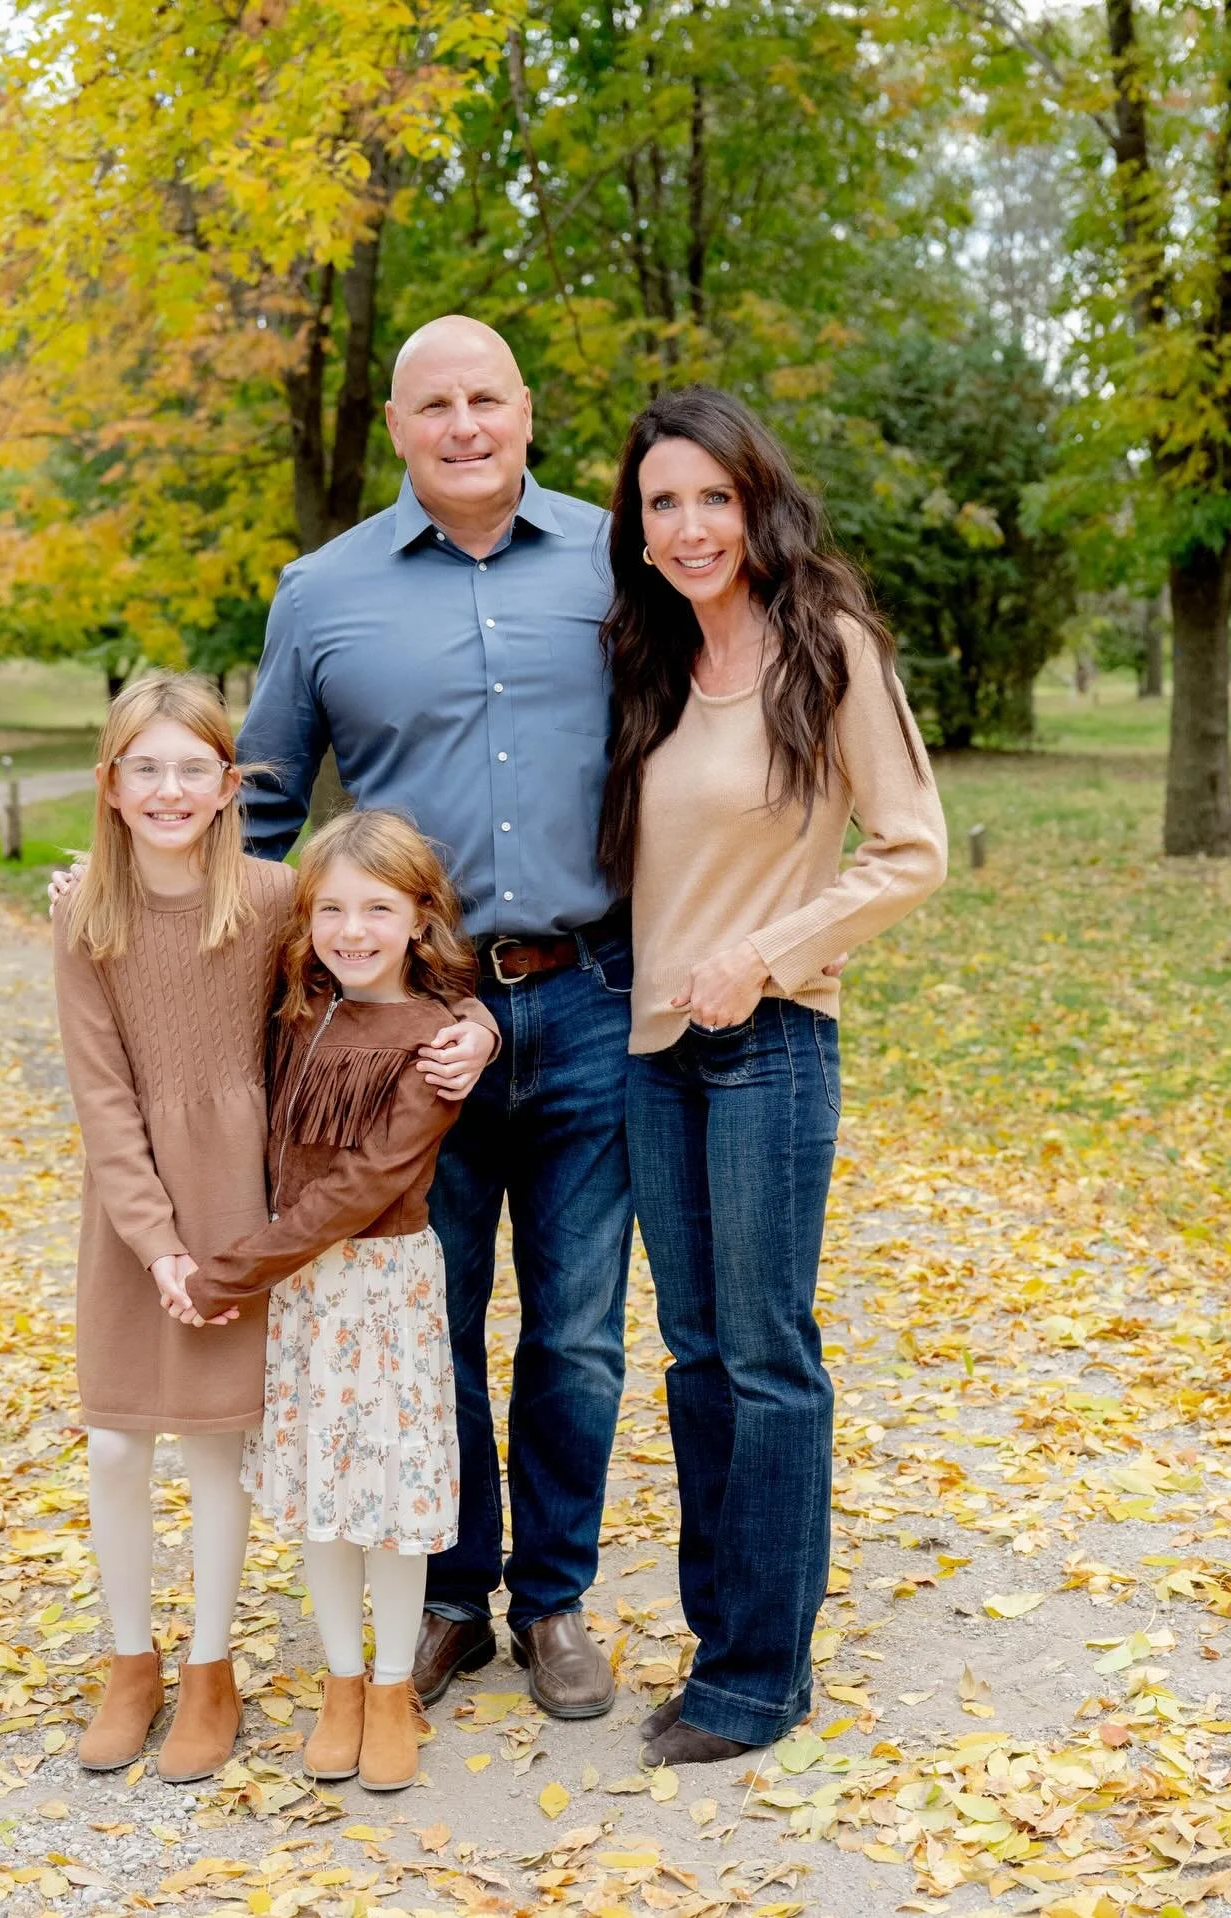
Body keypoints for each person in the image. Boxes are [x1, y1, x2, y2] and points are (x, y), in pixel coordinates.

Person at [237, 314, 632, 1718]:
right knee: (434, 1317)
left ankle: (558, 1597)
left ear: (527, 411)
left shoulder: (617, 552)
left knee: (579, 1326)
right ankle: (454, 1590)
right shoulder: (321, 591)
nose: (464, 426)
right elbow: (263, 824)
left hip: (592, 995)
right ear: (400, 426)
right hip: (408, 1022)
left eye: (488, 399)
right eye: (435, 405)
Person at [51, 675, 492, 1785]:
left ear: (227, 783)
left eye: (191, 767)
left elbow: (389, 950)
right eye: (142, 768)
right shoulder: (81, 912)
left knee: (217, 1449)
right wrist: (156, 1245)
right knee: (114, 1440)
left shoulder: (272, 895)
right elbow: (102, 1098)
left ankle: (211, 1672)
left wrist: (478, 1026)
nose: (166, 789)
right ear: (109, 786)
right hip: (138, 1208)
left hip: (253, 1207)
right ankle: (130, 1661)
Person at [598, 387, 948, 1766]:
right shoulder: (650, 663)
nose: (688, 526)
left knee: (765, 1357)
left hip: (772, 1043)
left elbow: (912, 845)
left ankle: (761, 1672)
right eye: (661, 502)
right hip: (651, 1052)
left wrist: (765, 951)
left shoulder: (829, 643)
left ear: (756, 501)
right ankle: (719, 1644)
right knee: (693, 1359)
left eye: (711, 497)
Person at [175, 810, 493, 1792]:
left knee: (386, 1502)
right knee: (321, 1496)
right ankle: (343, 1684)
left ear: (419, 919)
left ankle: (394, 1688)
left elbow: (362, 1184)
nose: (352, 930)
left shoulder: (436, 1040)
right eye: (332, 910)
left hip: (382, 1292)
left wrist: (232, 1270)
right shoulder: (297, 1014)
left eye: (378, 910)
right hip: (307, 1300)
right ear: (306, 918)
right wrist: (76, 895)